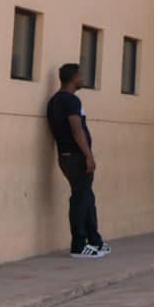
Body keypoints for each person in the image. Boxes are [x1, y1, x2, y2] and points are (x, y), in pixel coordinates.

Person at [46, 63, 110, 259]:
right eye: (81, 75)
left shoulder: (54, 101)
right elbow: (76, 129)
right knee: (80, 199)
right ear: (73, 78)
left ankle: (94, 241)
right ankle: (79, 245)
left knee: (86, 197)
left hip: (65, 155)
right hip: (76, 156)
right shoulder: (71, 100)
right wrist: (88, 155)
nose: (83, 79)